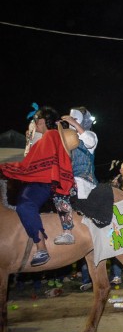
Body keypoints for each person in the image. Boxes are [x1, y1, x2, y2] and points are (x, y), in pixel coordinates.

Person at [0, 106, 75, 266]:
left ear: (41, 121)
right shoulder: (48, 137)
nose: (33, 124)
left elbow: (28, 165)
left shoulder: (50, 136)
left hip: (42, 183)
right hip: (39, 181)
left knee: (25, 206)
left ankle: (41, 249)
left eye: (35, 121)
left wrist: (4, 167)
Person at [52, 106, 98, 245]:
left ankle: (68, 232)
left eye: (76, 119)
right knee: (56, 192)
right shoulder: (66, 138)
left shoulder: (90, 135)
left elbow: (90, 142)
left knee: (61, 194)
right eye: (72, 120)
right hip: (68, 180)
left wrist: (75, 124)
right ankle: (67, 232)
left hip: (84, 181)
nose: (72, 122)